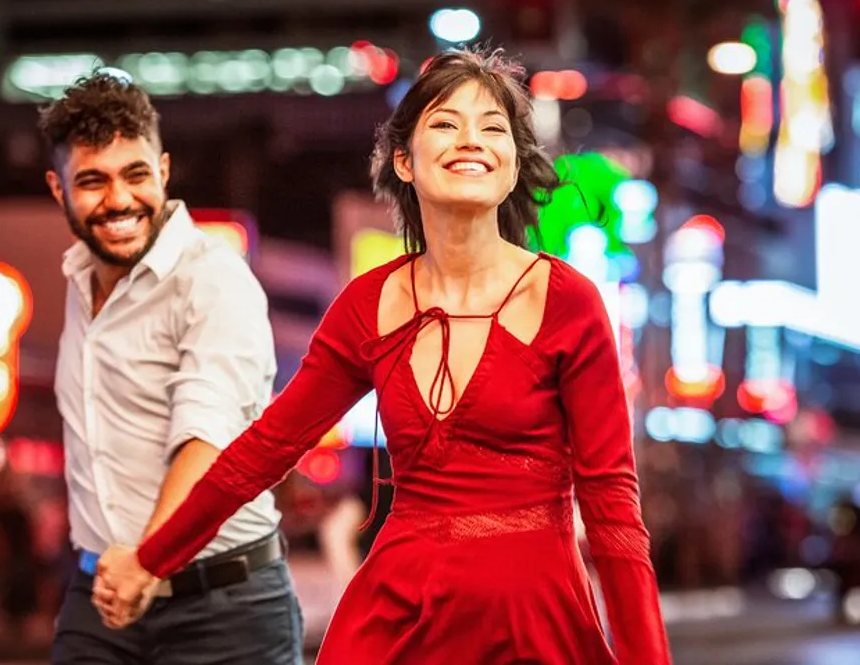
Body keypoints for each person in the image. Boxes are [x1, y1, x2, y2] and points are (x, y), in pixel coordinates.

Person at [95, 49, 671, 664]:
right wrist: (153, 558)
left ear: (510, 171)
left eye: (493, 127)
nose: (470, 140)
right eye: (446, 124)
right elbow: (262, 452)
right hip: (396, 621)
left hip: (534, 623)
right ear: (405, 160)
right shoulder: (366, 306)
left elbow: (613, 511)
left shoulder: (569, 302)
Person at [39, 73, 303, 664]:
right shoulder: (80, 278)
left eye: (135, 175)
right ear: (59, 190)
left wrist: (148, 561)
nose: (119, 200)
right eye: (92, 181)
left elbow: (205, 437)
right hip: (100, 599)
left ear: (163, 169)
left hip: (224, 607)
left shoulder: (212, 277)